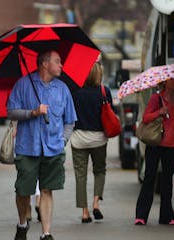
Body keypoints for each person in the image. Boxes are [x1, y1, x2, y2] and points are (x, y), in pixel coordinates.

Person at [7, 50, 77, 240]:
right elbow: (11, 112)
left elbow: (70, 121)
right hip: (27, 147)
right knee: (23, 191)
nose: (61, 65)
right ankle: (22, 224)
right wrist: (33, 113)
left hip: (53, 149)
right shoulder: (23, 85)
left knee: (47, 190)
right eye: (57, 61)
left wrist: (61, 141)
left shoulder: (63, 89)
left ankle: (46, 233)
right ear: (45, 64)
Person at [134, 77, 174, 226]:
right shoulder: (156, 98)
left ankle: (166, 216)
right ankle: (141, 215)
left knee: (166, 181)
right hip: (155, 143)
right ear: (165, 82)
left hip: (171, 145)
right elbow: (145, 118)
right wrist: (160, 112)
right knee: (150, 178)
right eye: (172, 79)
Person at [70, 62, 111, 223]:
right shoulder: (104, 92)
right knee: (99, 170)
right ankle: (96, 203)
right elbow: (110, 114)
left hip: (78, 138)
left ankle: (85, 212)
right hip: (99, 139)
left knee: (80, 175)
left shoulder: (75, 92)